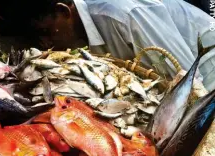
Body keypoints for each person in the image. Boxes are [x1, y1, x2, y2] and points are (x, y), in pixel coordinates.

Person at [26, 0, 215, 91]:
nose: (46, 44)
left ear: (63, 11)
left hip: (208, 66)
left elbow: (188, 78)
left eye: (46, 32)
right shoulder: (84, 33)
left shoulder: (121, 15)